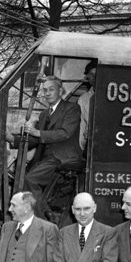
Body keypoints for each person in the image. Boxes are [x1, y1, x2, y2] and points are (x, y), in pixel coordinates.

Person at [23, 75, 83, 218]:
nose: (47, 93)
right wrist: (11, 138)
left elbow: (65, 133)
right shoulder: (44, 114)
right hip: (48, 158)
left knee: (30, 179)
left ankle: (42, 219)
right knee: (24, 177)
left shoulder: (72, 108)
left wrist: (37, 132)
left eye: (51, 89)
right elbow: (36, 139)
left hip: (64, 156)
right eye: (45, 91)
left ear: (61, 91)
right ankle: (47, 213)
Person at [78, 59, 97, 151]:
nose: (94, 77)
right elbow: (82, 126)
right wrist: (80, 150)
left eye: (96, 74)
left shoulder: (112, 96)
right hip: (89, 146)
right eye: (91, 74)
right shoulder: (84, 99)